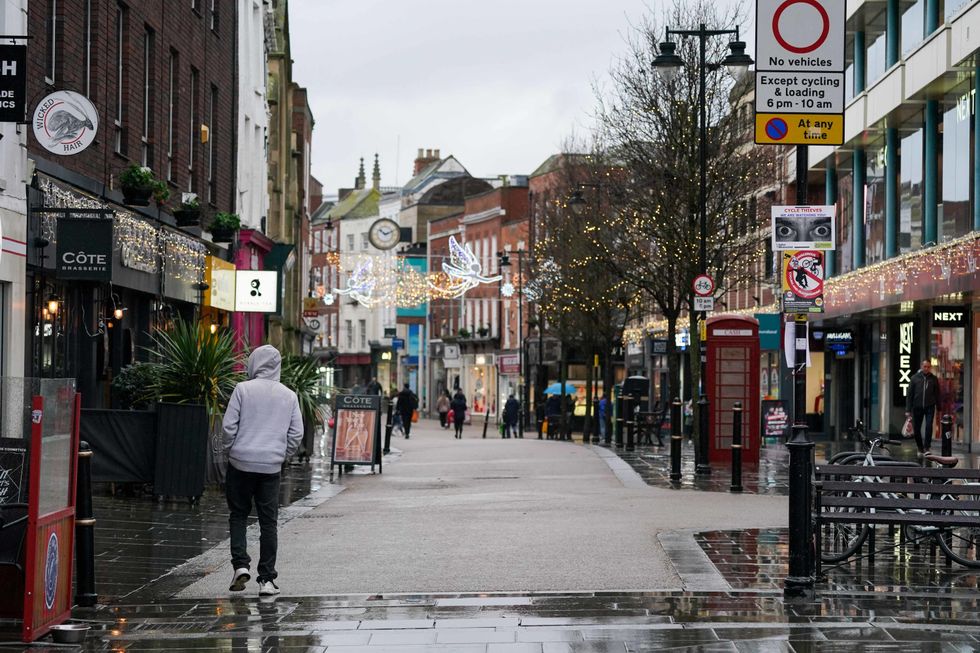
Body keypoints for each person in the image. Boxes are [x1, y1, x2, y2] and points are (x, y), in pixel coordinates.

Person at [222, 345, 303, 596]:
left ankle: (240, 565)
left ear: (254, 364)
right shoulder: (288, 395)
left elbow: (228, 426)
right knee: (269, 522)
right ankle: (266, 580)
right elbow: (297, 433)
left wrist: (230, 449)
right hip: (270, 467)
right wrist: (281, 454)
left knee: (239, 515)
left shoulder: (242, 390)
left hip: (240, 463)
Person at [906, 359, 939, 455]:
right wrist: (908, 409)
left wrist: (939, 407)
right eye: (925, 366)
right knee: (917, 429)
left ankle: (927, 447)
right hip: (917, 407)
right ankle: (920, 447)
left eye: (928, 367)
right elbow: (909, 395)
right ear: (921, 366)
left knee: (929, 426)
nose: (926, 368)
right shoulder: (914, 378)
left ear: (930, 367)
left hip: (930, 406)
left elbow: (937, 394)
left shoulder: (933, 379)